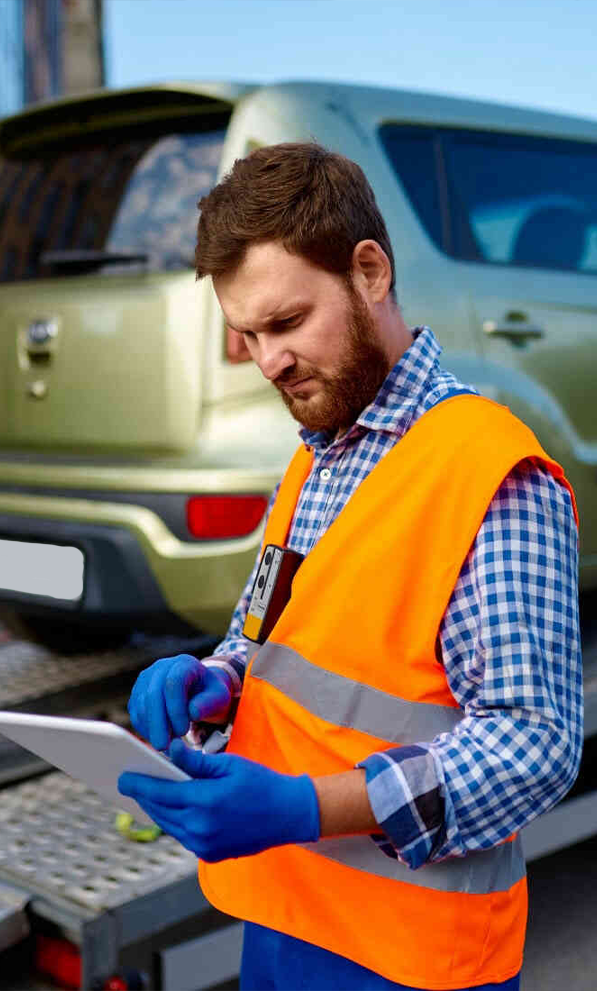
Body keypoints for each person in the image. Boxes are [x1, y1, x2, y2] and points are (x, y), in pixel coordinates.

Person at [118, 143, 582, 991]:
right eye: (248, 335)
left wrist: (304, 807)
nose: (269, 362)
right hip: (290, 917)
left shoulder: (487, 471)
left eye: (287, 323)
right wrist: (216, 676)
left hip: (416, 959)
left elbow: (536, 743)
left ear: (370, 271)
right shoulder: (314, 460)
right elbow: (272, 637)